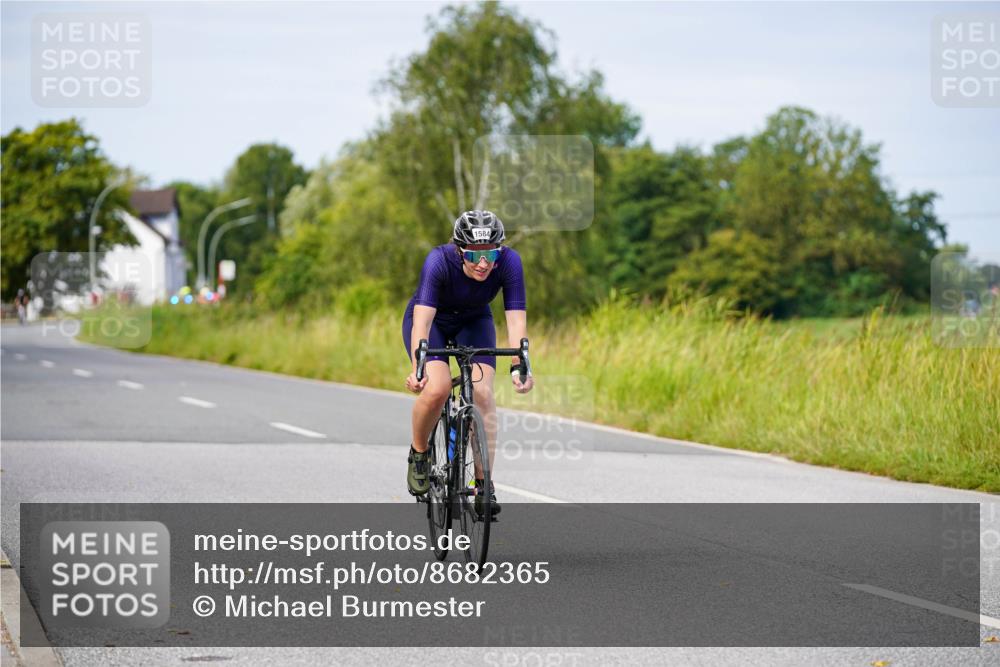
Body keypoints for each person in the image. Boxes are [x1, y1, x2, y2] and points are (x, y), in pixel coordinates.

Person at [402, 210, 534, 515]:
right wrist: (418, 368)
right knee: (438, 388)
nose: (484, 263)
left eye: (491, 253)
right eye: (474, 255)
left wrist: (520, 365)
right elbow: (422, 322)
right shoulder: (438, 260)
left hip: (474, 321)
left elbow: (516, 322)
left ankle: (483, 485)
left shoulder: (510, 262)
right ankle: (419, 453)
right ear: (459, 250)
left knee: (483, 393)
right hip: (433, 321)